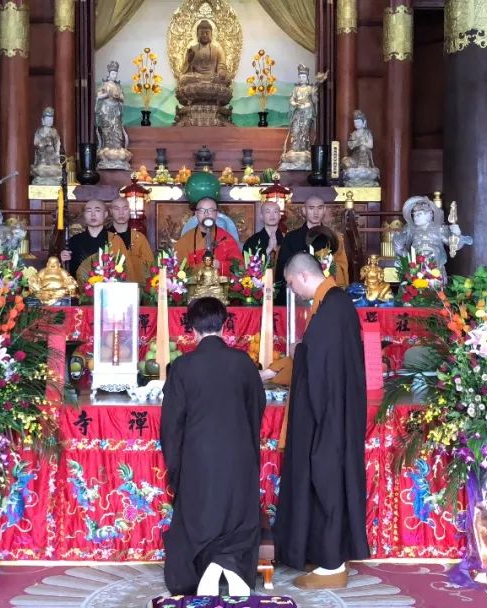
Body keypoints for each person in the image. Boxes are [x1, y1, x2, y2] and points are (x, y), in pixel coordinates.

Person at [273, 253, 368, 590]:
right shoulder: (331, 304)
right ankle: (325, 556)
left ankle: (332, 566)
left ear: (301, 277)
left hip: (328, 416)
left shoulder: (331, 310)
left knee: (327, 480)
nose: (292, 289)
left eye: (290, 282)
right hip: (332, 411)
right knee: (324, 480)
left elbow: (319, 369)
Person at [161, 297, 266, 597]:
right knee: (236, 512)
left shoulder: (182, 367)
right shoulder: (243, 363)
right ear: (223, 325)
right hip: (238, 454)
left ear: (192, 329)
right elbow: (256, 408)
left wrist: (176, 466)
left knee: (199, 512)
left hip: (198, 457)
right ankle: (229, 565)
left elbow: (171, 425)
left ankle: (208, 569)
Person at [276, 196, 349, 290]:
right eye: (311, 208)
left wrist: (328, 265)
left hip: (328, 292)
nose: (316, 212)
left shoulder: (334, 238)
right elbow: (283, 268)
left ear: (324, 210)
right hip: (298, 292)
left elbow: (342, 267)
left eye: (320, 208)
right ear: (304, 210)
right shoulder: (291, 238)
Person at [174, 197, 241, 276]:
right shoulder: (185, 240)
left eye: (211, 210)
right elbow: (178, 270)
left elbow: (239, 267)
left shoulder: (227, 238)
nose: (206, 214)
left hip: (221, 286)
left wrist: (220, 265)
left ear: (216, 214)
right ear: (196, 213)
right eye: (202, 210)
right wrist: (199, 268)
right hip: (194, 287)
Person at [107, 197, 154, 285]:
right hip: (110, 288)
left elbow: (150, 266)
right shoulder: (104, 237)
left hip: (137, 289)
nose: (121, 213)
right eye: (116, 209)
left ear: (129, 210)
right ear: (111, 211)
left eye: (125, 208)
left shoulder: (139, 238)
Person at [243, 199, 284, 267]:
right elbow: (249, 268)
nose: (272, 215)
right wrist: (268, 250)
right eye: (268, 212)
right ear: (261, 216)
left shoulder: (288, 239)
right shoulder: (252, 241)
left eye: (275, 212)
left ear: (280, 216)